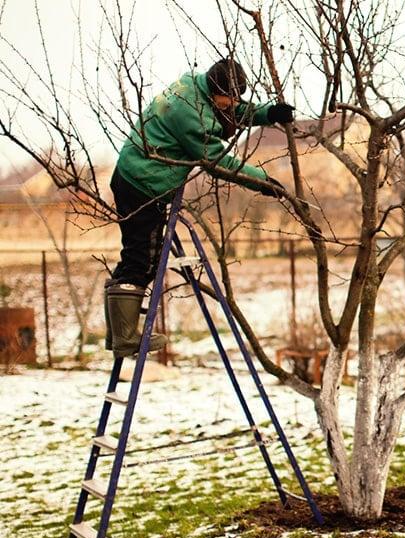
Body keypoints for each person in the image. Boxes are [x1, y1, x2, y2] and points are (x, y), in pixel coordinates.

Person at [104, 58, 294, 357]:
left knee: (136, 255)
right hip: (143, 184)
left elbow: (228, 112)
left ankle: (116, 334)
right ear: (215, 89)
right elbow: (218, 162)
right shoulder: (190, 115)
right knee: (142, 259)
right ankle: (125, 337)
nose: (232, 103)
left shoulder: (196, 86)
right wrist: (263, 181)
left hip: (136, 176)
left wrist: (267, 113)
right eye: (228, 97)